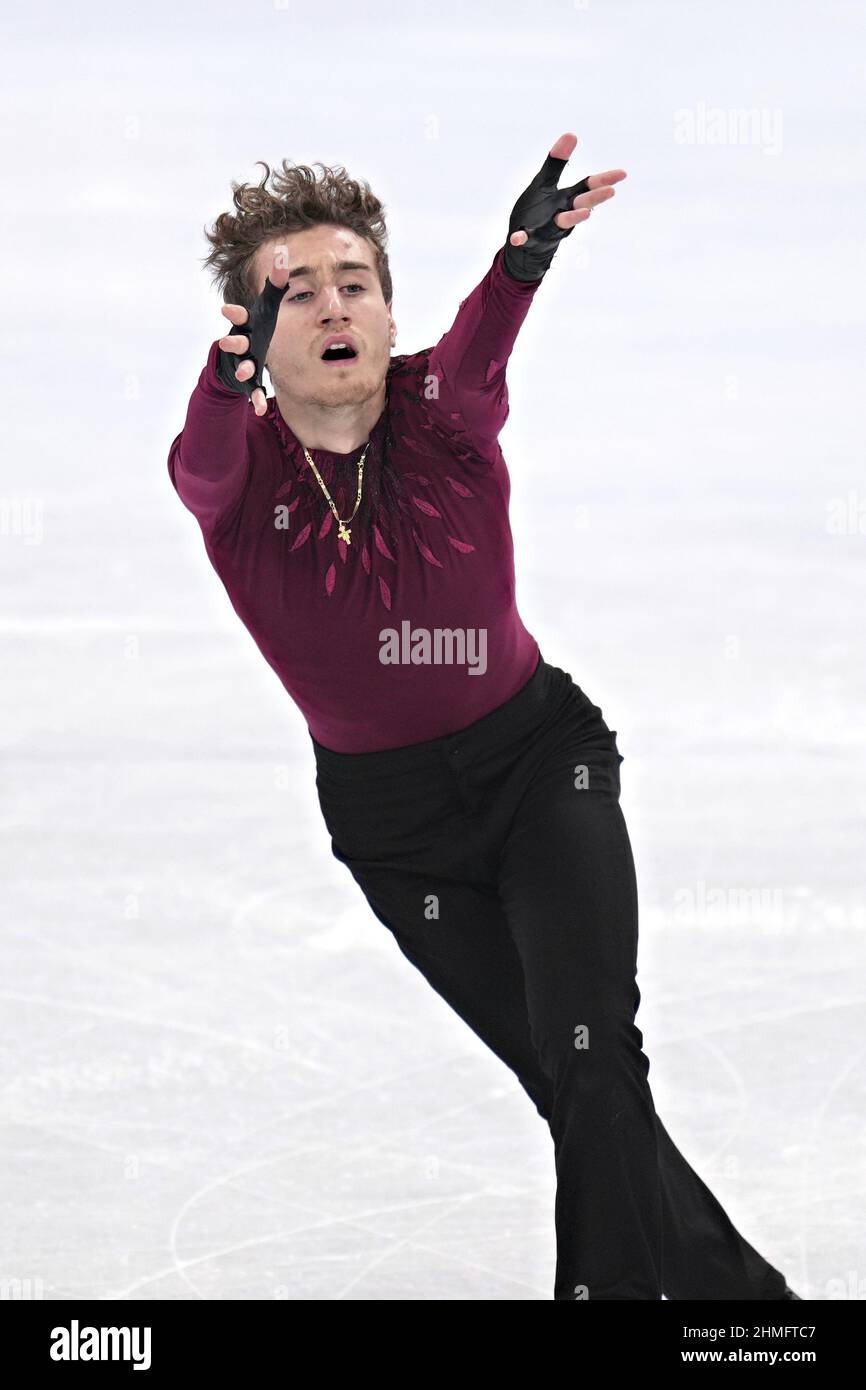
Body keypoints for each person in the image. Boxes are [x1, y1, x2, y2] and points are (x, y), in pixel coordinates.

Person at [167, 133, 800, 1300]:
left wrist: (520, 264)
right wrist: (222, 384)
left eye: (354, 281)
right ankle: (752, 1315)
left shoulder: (443, 413)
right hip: (396, 827)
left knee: (593, 1060)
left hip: (537, 769)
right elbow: (199, 458)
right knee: (572, 1086)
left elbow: (478, 349)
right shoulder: (235, 477)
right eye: (292, 290)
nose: (330, 304)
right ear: (248, 325)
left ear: (389, 309)